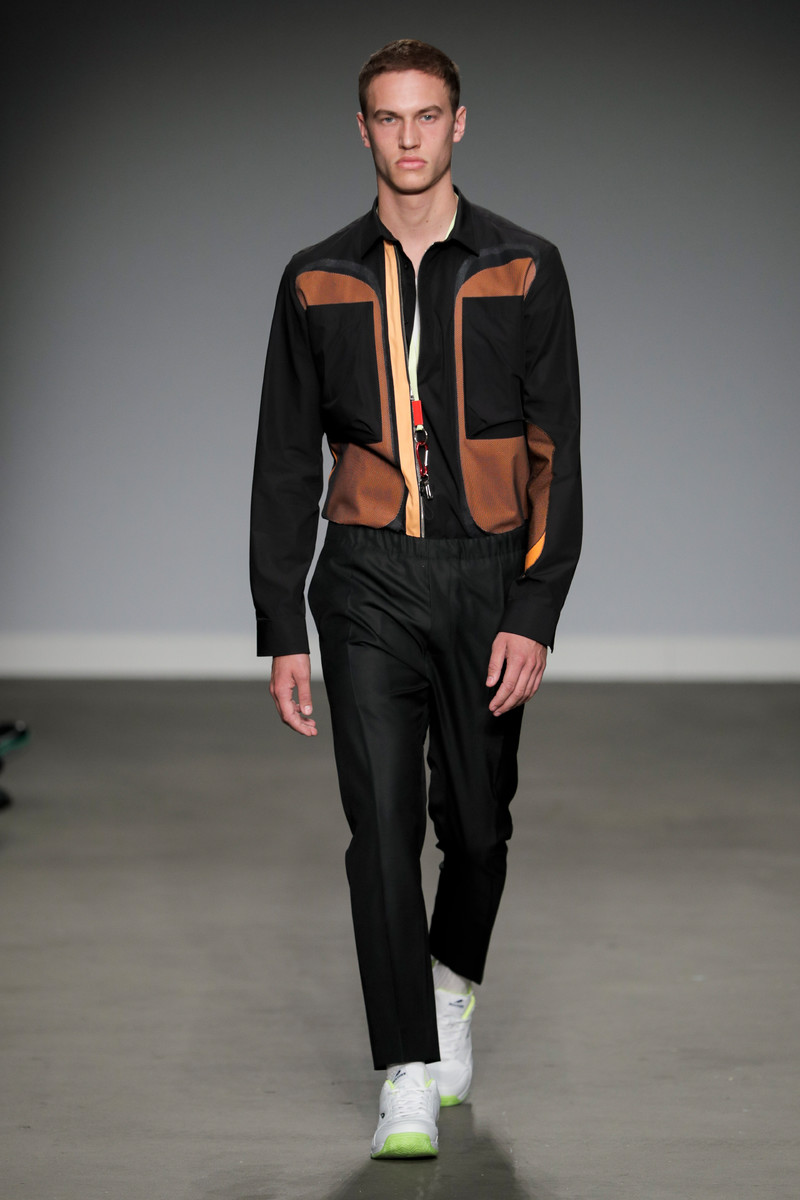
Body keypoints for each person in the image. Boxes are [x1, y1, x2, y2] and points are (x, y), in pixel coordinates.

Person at [250, 39, 582, 1160]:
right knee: (380, 829)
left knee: (477, 830)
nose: (407, 137)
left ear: (457, 123)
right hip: (364, 580)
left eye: (425, 116)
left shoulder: (525, 267)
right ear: (362, 130)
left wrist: (534, 608)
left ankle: (450, 986)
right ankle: (405, 1066)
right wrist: (280, 625)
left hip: (485, 576)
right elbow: (284, 458)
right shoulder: (315, 278)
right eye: (387, 118)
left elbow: (555, 450)